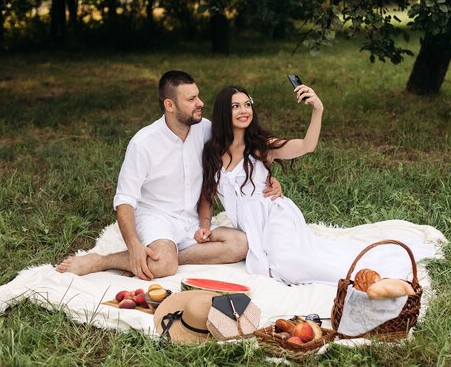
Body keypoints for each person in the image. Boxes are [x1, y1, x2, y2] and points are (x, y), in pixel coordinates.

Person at [195, 84, 435, 285]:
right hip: (249, 230)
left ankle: (363, 280)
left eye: (247, 104)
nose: (244, 110)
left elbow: (306, 146)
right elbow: (207, 195)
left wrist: (317, 110)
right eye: (235, 106)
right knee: (269, 268)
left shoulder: (261, 146)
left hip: (276, 217)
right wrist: (205, 224)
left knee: (288, 268)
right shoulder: (212, 152)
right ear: (223, 112)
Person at [56, 71, 282, 280]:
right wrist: (134, 246)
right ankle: (103, 261)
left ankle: (166, 257)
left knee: (242, 244)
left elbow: (241, 153)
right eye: (191, 99)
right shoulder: (143, 143)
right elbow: (124, 200)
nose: (200, 103)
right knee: (163, 266)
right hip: (156, 218)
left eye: (198, 96)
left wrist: (267, 178)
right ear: (170, 105)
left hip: (192, 221)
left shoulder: (206, 129)